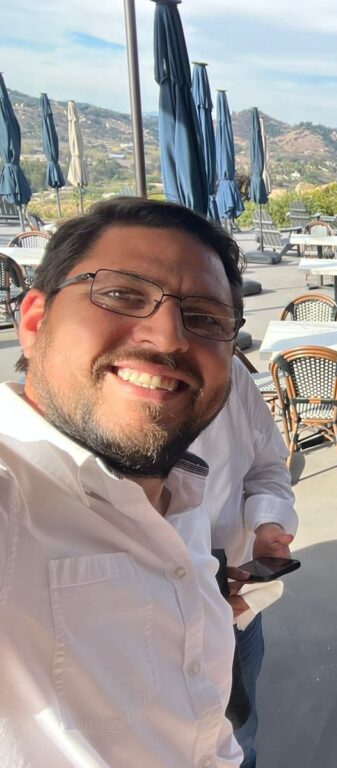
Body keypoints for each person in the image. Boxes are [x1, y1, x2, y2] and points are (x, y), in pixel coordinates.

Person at [0, 198, 246, 765]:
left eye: (206, 318)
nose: (168, 337)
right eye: (121, 294)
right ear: (34, 322)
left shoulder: (180, 500)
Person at [191, 356, 297, 768]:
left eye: (210, 324)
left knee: (239, 736)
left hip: (237, 610)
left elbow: (265, 467)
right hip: (137, 641)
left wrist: (268, 523)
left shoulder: (230, 372)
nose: (168, 335)